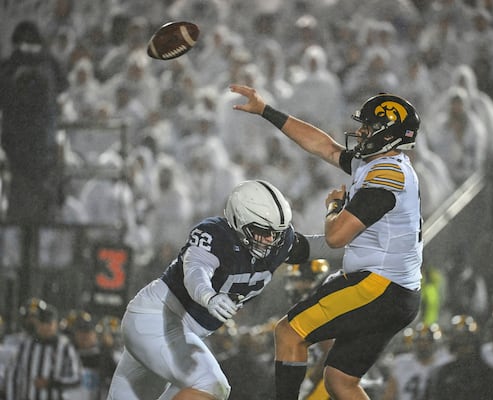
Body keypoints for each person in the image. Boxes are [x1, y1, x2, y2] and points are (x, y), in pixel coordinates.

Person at [231, 84, 423, 399]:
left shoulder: (388, 177)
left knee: (289, 332)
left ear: (388, 134)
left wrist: (335, 206)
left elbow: (336, 237)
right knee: (339, 382)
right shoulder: (379, 165)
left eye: (369, 127)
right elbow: (325, 147)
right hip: (396, 292)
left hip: (379, 285)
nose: (360, 132)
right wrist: (267, 110)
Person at [106, 180, 312, 400]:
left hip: (173, 329)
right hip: (159, 318)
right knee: (211, 384)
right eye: (262, 231)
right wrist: (209, 296)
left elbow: (316, 246)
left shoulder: (279, 243)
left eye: (276, 233)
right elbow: (195, 270)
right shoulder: (215, 234)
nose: (270, 240)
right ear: (239, 221)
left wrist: (350, 238)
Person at [0, 20, 68, 223]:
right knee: (24, 201)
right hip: (23, 148)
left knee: (37, 202)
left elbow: (63, 87)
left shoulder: (44, 65)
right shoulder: (10, 67)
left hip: (35, 147)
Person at [5, 302, 82, 400]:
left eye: (49, 323)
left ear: (55, 324)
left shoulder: (65, 347)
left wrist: (52, 383)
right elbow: (12, 376)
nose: (45, 327)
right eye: (42, 323)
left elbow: (76, 378)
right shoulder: (25, 346)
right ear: (37, 324)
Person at [424, 314, 493, 400]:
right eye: (460, 343)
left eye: (467, 342)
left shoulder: (488, 374)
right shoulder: (442, 373)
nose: (464, 348)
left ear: (474, 344)